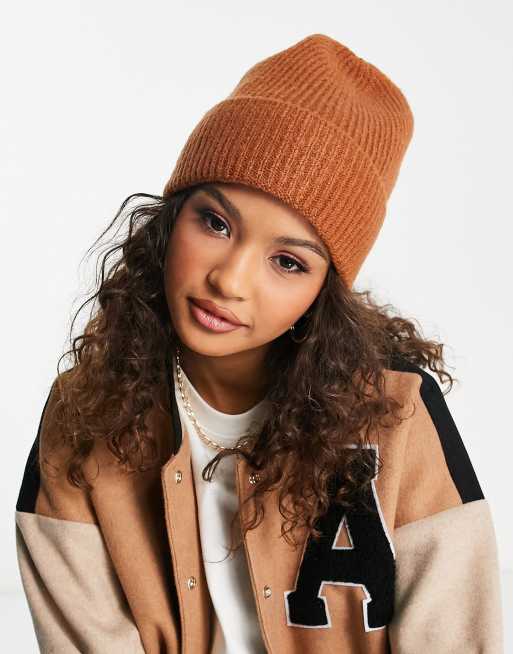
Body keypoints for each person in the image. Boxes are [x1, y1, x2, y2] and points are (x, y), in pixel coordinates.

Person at [15, 33, 504, 653]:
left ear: (325, 290)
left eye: (288, 262)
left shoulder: (398, 415)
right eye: (215, 223)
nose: (229, 280)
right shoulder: (84, 417)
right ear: (171, 219)